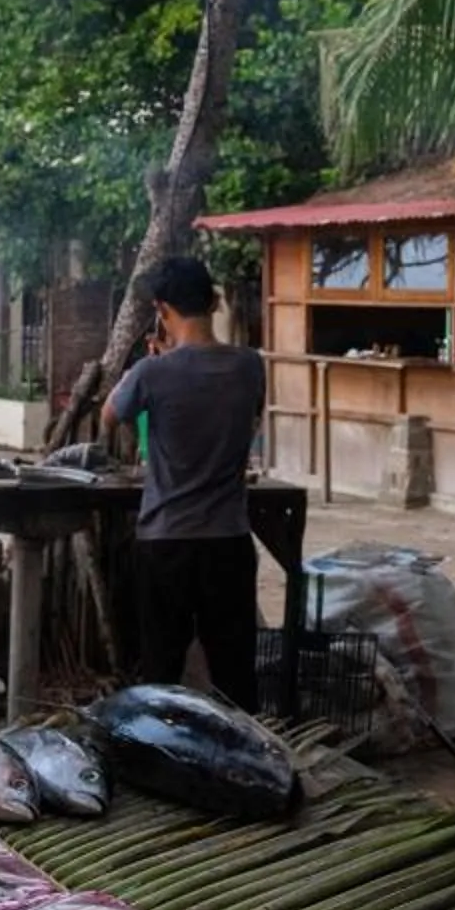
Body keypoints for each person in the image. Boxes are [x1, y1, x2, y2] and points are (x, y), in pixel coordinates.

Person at [103, 254, 266, 710]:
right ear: (214, 301)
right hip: (228, 541)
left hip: (166, 542)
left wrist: (156, 367)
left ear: (161, 309)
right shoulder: (250, 365)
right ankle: (245, 767)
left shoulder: (151, 372)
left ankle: (163, 764)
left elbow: (111, 414)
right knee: (235, 672)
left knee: (160, 670)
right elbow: (249, 418)